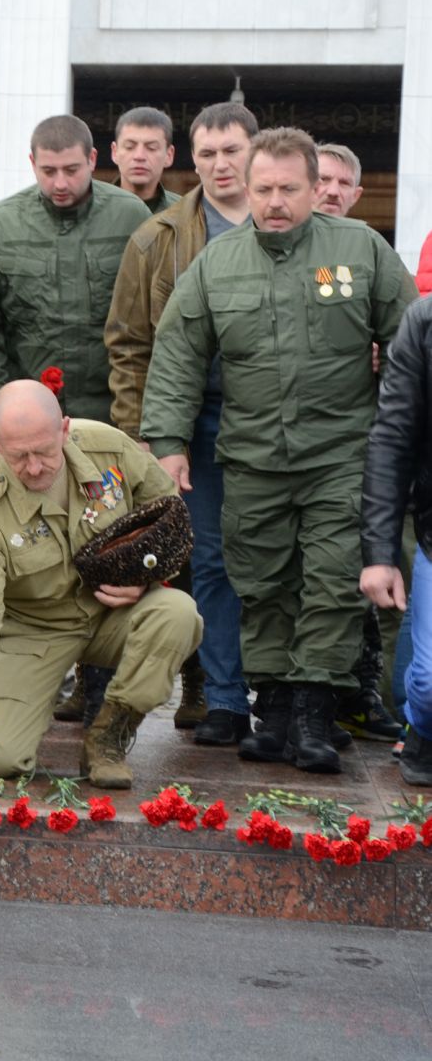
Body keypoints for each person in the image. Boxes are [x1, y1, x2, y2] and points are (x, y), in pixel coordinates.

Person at [142, 127, 415, 774]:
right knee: (261, 582)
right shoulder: (218, 261)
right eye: (263, 189)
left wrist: (398, 442)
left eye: (288, 189)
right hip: (253, 455)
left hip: (341, 456)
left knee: (328, 582)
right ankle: (277, 708)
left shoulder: (360, 251)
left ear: (315, 187)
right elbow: (179, 350)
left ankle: (317, 711)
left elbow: (408, 348)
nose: (274, 201)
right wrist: (169, 441)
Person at [0, 113, 151, 724]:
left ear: (94, 160)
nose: (60, 182)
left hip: (104, 415)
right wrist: (2, 405)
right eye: (48, 171)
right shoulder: (3, 223)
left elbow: (146, 320)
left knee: (109, 544)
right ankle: (27, 670)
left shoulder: (131, 219)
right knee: (31, 548)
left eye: (71, 169)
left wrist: (133, 418)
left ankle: (98, 682)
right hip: (29, 422)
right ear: (31, 164)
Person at [0, 381, 202, 785]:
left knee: (179, 614)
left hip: (111, 613)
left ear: (64, 429)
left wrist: (146, 578)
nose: (33, 468)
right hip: (35, 631)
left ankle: (110, 735)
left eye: (44, 452)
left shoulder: (110, 449)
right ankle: (25, 709)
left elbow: (168, 514)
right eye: (17, 456)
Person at [105, 100, 259, 744]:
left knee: (281, 562)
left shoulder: (300, 219)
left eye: (232, 151)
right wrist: (148, 437)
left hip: (282, 420)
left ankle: (289, 697)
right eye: (208, 154)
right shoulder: (158, 237)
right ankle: (223, 697)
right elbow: (129, 344)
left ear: (257, 149)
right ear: (189, 160)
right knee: (213, 563)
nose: (220, 165)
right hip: (197, 422)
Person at [360, 291, 432, 785]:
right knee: (427, 684)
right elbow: (392, 440)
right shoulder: (424, 322)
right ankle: (423, 729)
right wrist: (380, 556)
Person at [109, 106, 180, 212]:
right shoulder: (92, 211)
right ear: (115, 152)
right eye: (130, 147)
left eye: (151, 148)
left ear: (169, 155)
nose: (139, 156)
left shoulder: (185, 214)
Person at [314, 143, 364, 217]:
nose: (333, 192)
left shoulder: (363, 229)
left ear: (355, 196)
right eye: (323, 179)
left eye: (344, 183)